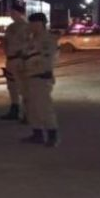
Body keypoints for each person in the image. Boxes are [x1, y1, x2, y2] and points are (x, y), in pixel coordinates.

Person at [21, 13, 59, 147]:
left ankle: (52, 136)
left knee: (43, 107)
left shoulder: (47, 40)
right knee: (31, 108)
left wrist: (36, 70)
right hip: (30, 77)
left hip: (40, 77)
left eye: (32, 23)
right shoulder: (32, 39)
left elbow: (46, 60)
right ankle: (37, 134)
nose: (29, 26)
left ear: (39, 23)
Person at [0, 3, 29, 121]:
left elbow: (31, 44)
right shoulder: (11, 27)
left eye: (13, 12)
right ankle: (14, 110)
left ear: (21, 13)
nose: (11, 15)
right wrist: (6, 53)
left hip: (21, 60)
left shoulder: (27, 27)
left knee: (24, 88)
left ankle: (28, 113)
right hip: (10, 59)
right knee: (12, 87)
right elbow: (5, 41)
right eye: (10, 13)